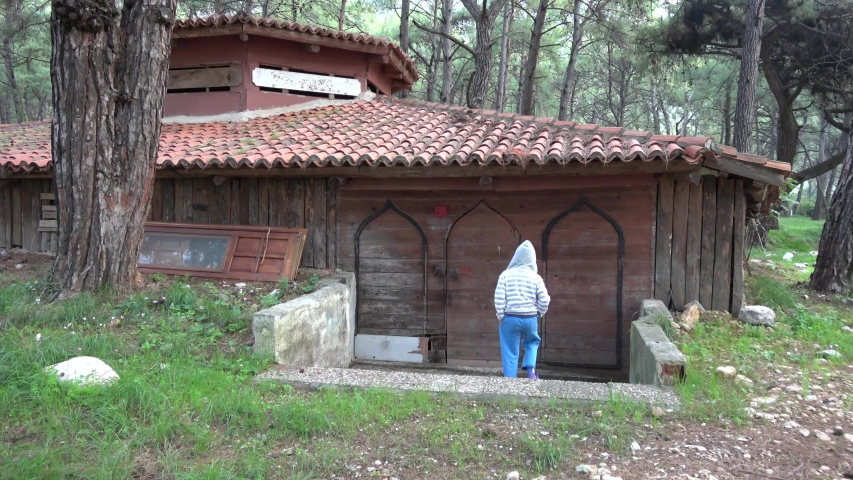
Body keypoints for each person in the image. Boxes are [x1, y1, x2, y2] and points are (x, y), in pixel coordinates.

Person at [494, 240, 550, 379]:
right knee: (532, 342)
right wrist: (539, 313)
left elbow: (499, 298)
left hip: (510, 318)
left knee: (509, 349)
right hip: (530, 318)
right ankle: (531, 369)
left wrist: (501, 316)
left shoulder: (505, 275)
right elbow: (545, 299)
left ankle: (510, 379)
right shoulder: (536, 277)